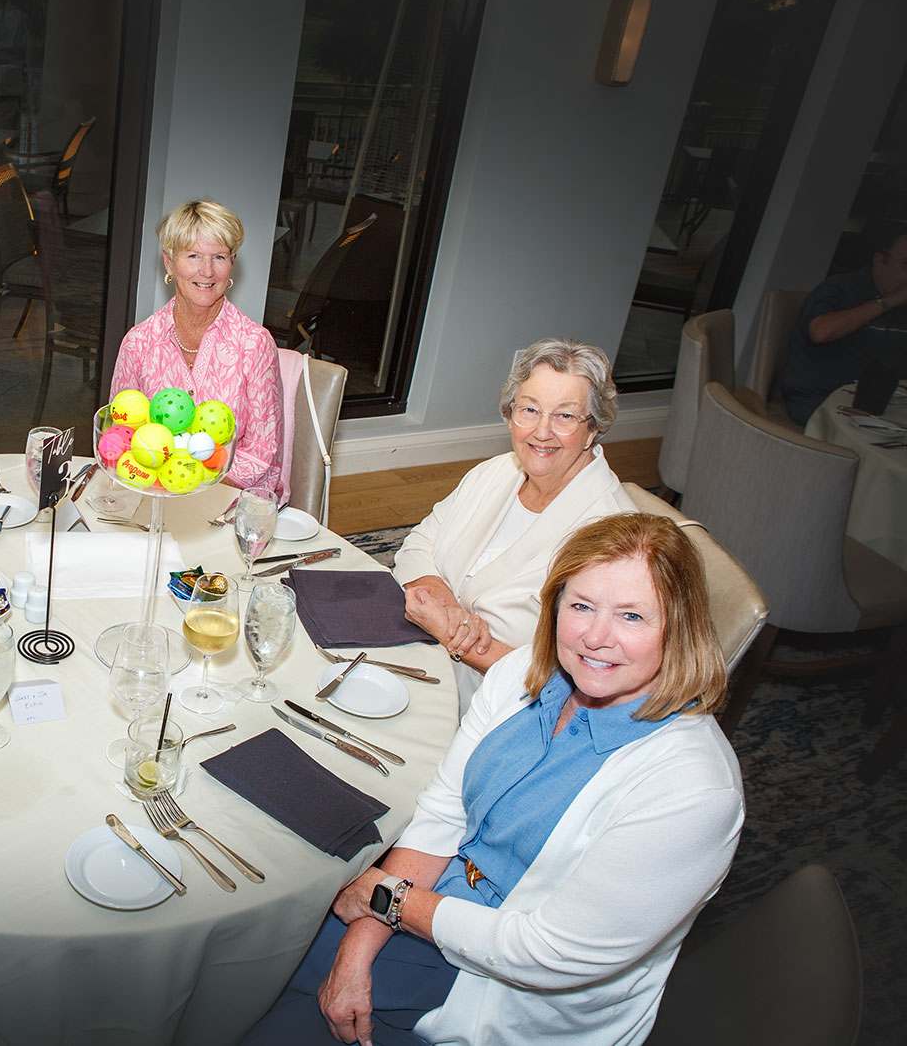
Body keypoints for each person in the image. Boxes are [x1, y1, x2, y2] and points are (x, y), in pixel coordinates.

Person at [248, 512, 744, 1046]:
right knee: (250, 963)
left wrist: (389, 898)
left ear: (680, 627)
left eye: (632, 616)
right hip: (423, 908)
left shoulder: (692, 793)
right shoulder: (520, 676)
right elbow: (444, 815)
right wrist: (359, 945)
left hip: (496, 991)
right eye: (581, 606)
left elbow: (547, 954)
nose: (596, 637)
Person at [391, 339, 634, 712]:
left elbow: (572, 682)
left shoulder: (612, 542)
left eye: (565, 416)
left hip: (497, 706)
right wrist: (447, 609)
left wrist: (454, 636)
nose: (542, 431)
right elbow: (419, 544)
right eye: (530, 410)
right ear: (510, 414)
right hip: (418, 653)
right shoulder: (496, 471)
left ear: (593, 429)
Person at [111, 200, 286, 496]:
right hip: (154, 494)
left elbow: (262, 455)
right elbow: (121, 435)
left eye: (219, 257)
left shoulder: (255, 344)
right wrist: (163, 491)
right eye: (193, 255)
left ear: (232, 263)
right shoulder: (138, 343)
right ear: (169, 262)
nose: (207, 271)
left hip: (229, 499)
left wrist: (193, 493)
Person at [781, 219, 907, 426]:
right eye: (906, 264)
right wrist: (889, 302)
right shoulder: (841, 288)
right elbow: (820, 331)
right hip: (821, 402)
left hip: (883, 407)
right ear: (879, 262)